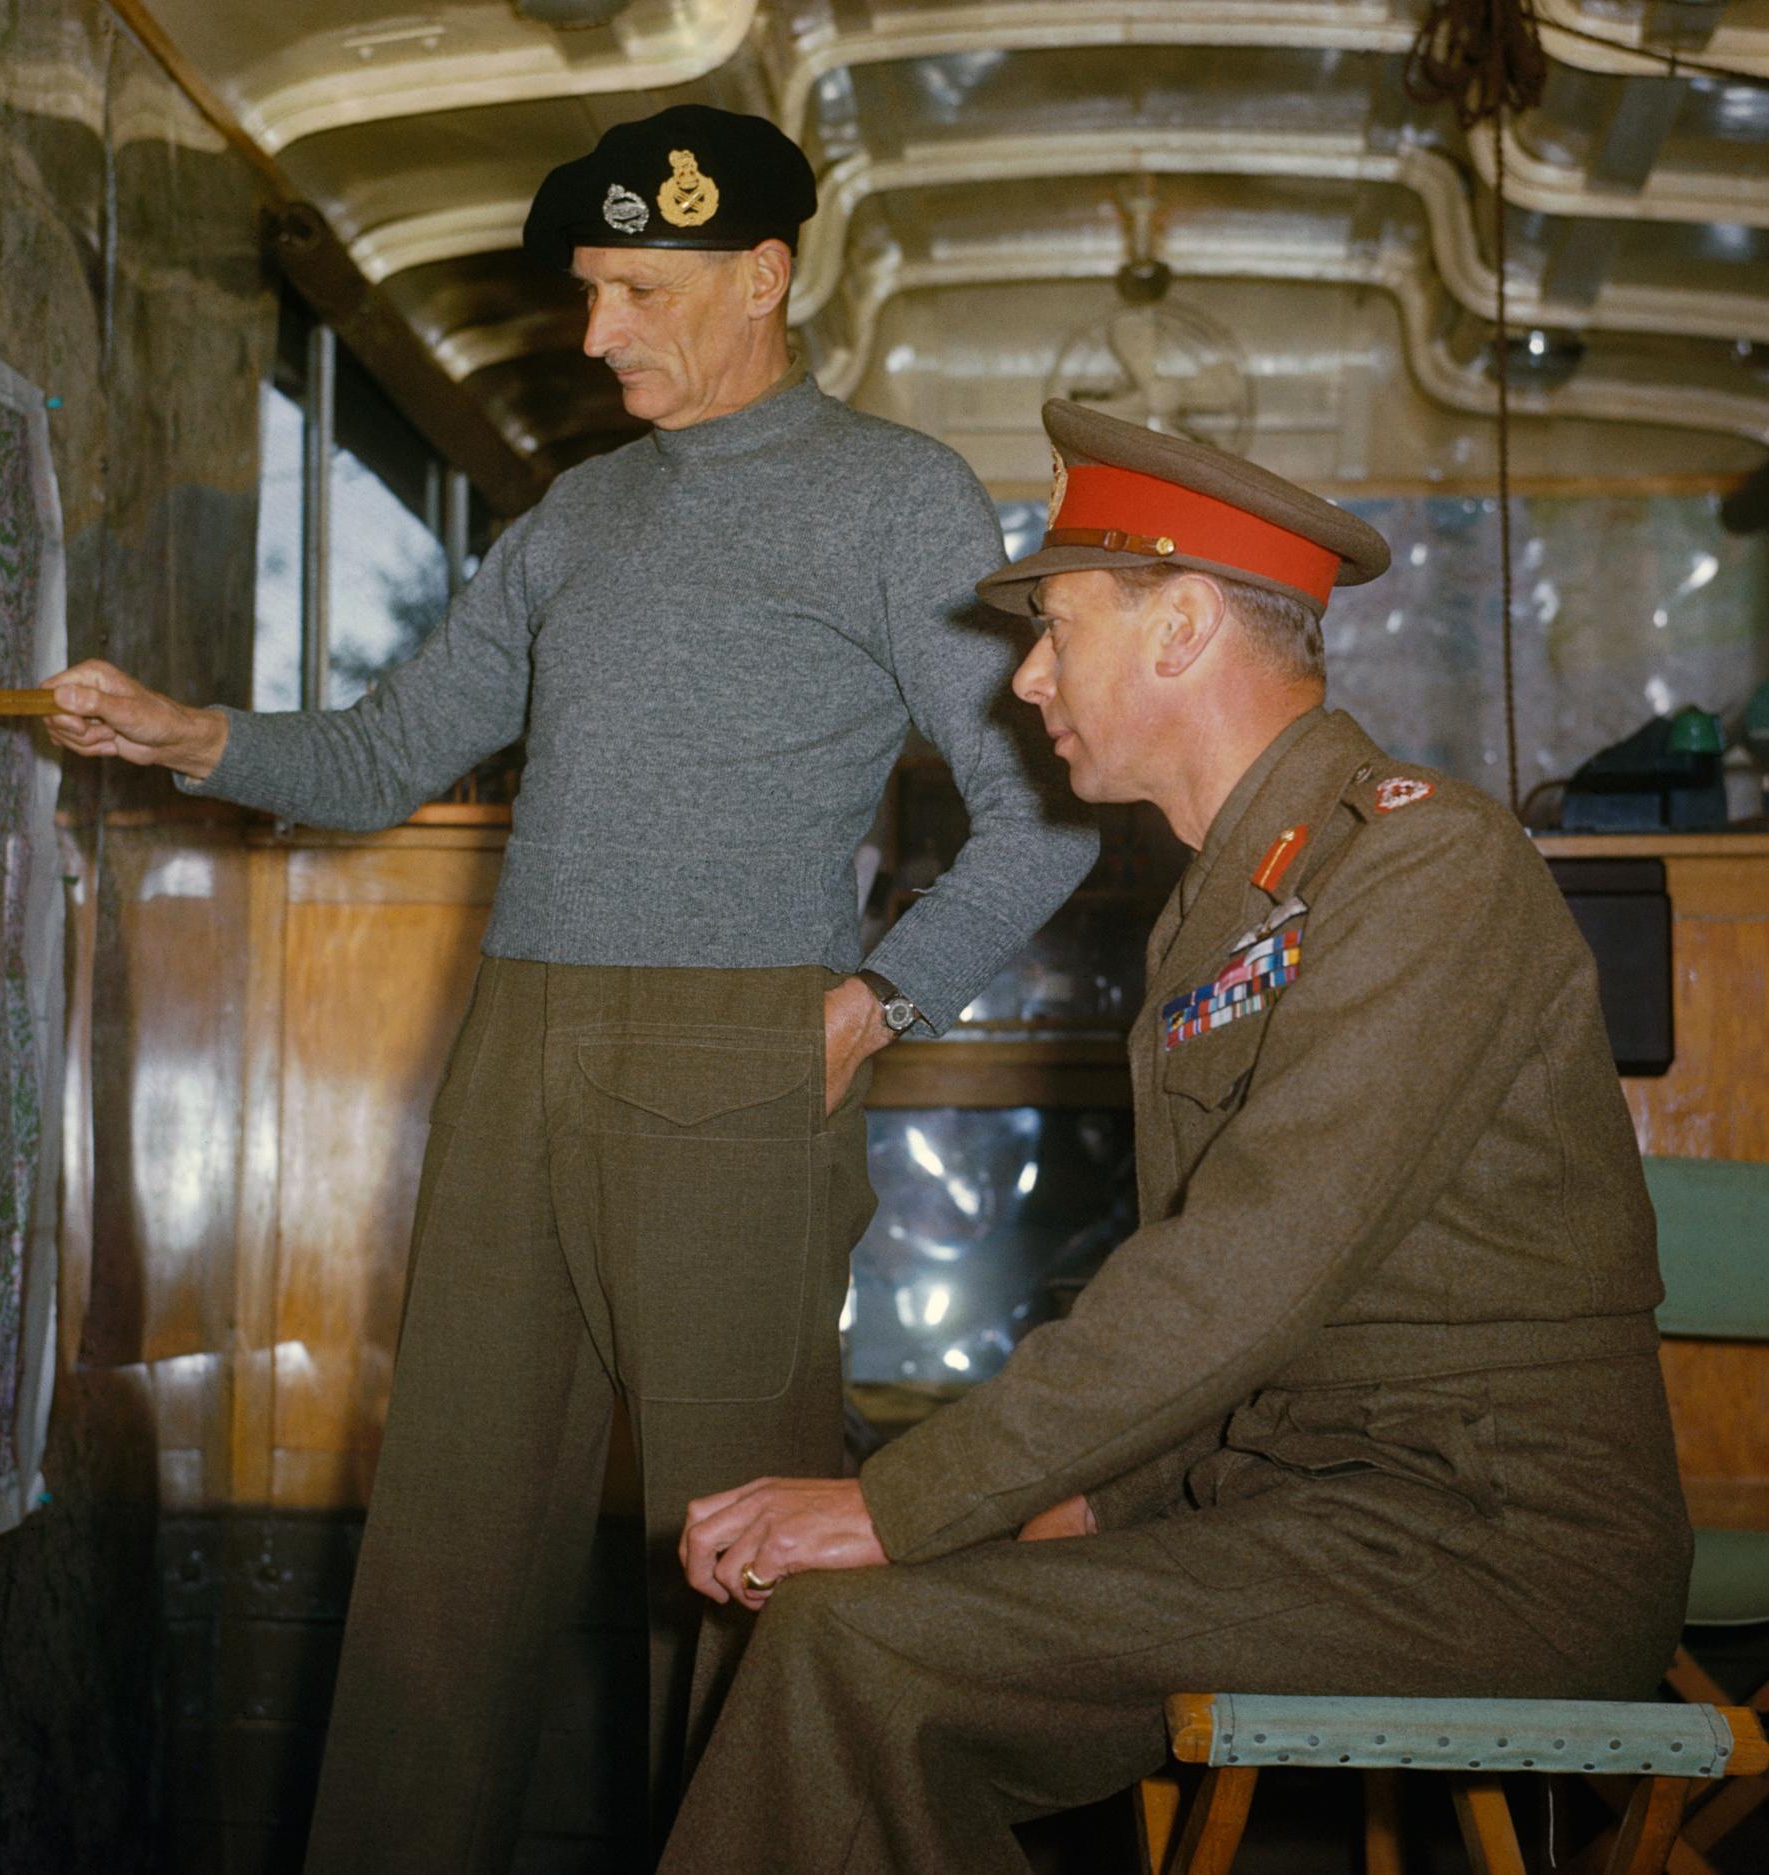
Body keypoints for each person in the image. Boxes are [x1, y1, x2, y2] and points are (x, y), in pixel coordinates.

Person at [42, 107, 1095, 1872]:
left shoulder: (892, 495)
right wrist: (186, 732)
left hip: (741, 1057)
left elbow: (1044, 814)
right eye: (587, 291)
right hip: (518, 1048)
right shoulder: (576, 515)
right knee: (441, 1560)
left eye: (635, 289)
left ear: (763, 277)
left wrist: (867, 1007)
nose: (598, 332)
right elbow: (384, 755)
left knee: (742, 1565)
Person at [664, 400, 1692, 1875]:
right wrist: (1085, 1495)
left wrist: (908, 1502)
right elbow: (1252, 1317)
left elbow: (1251, 1268)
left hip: (1489, 1540)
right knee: (797, 1611)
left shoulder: (1426, 870)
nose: (1025, 680)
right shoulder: (1236, 903)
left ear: (1183, 626)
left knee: (853, 1639)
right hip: (1307, 1509)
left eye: (1056, 627)